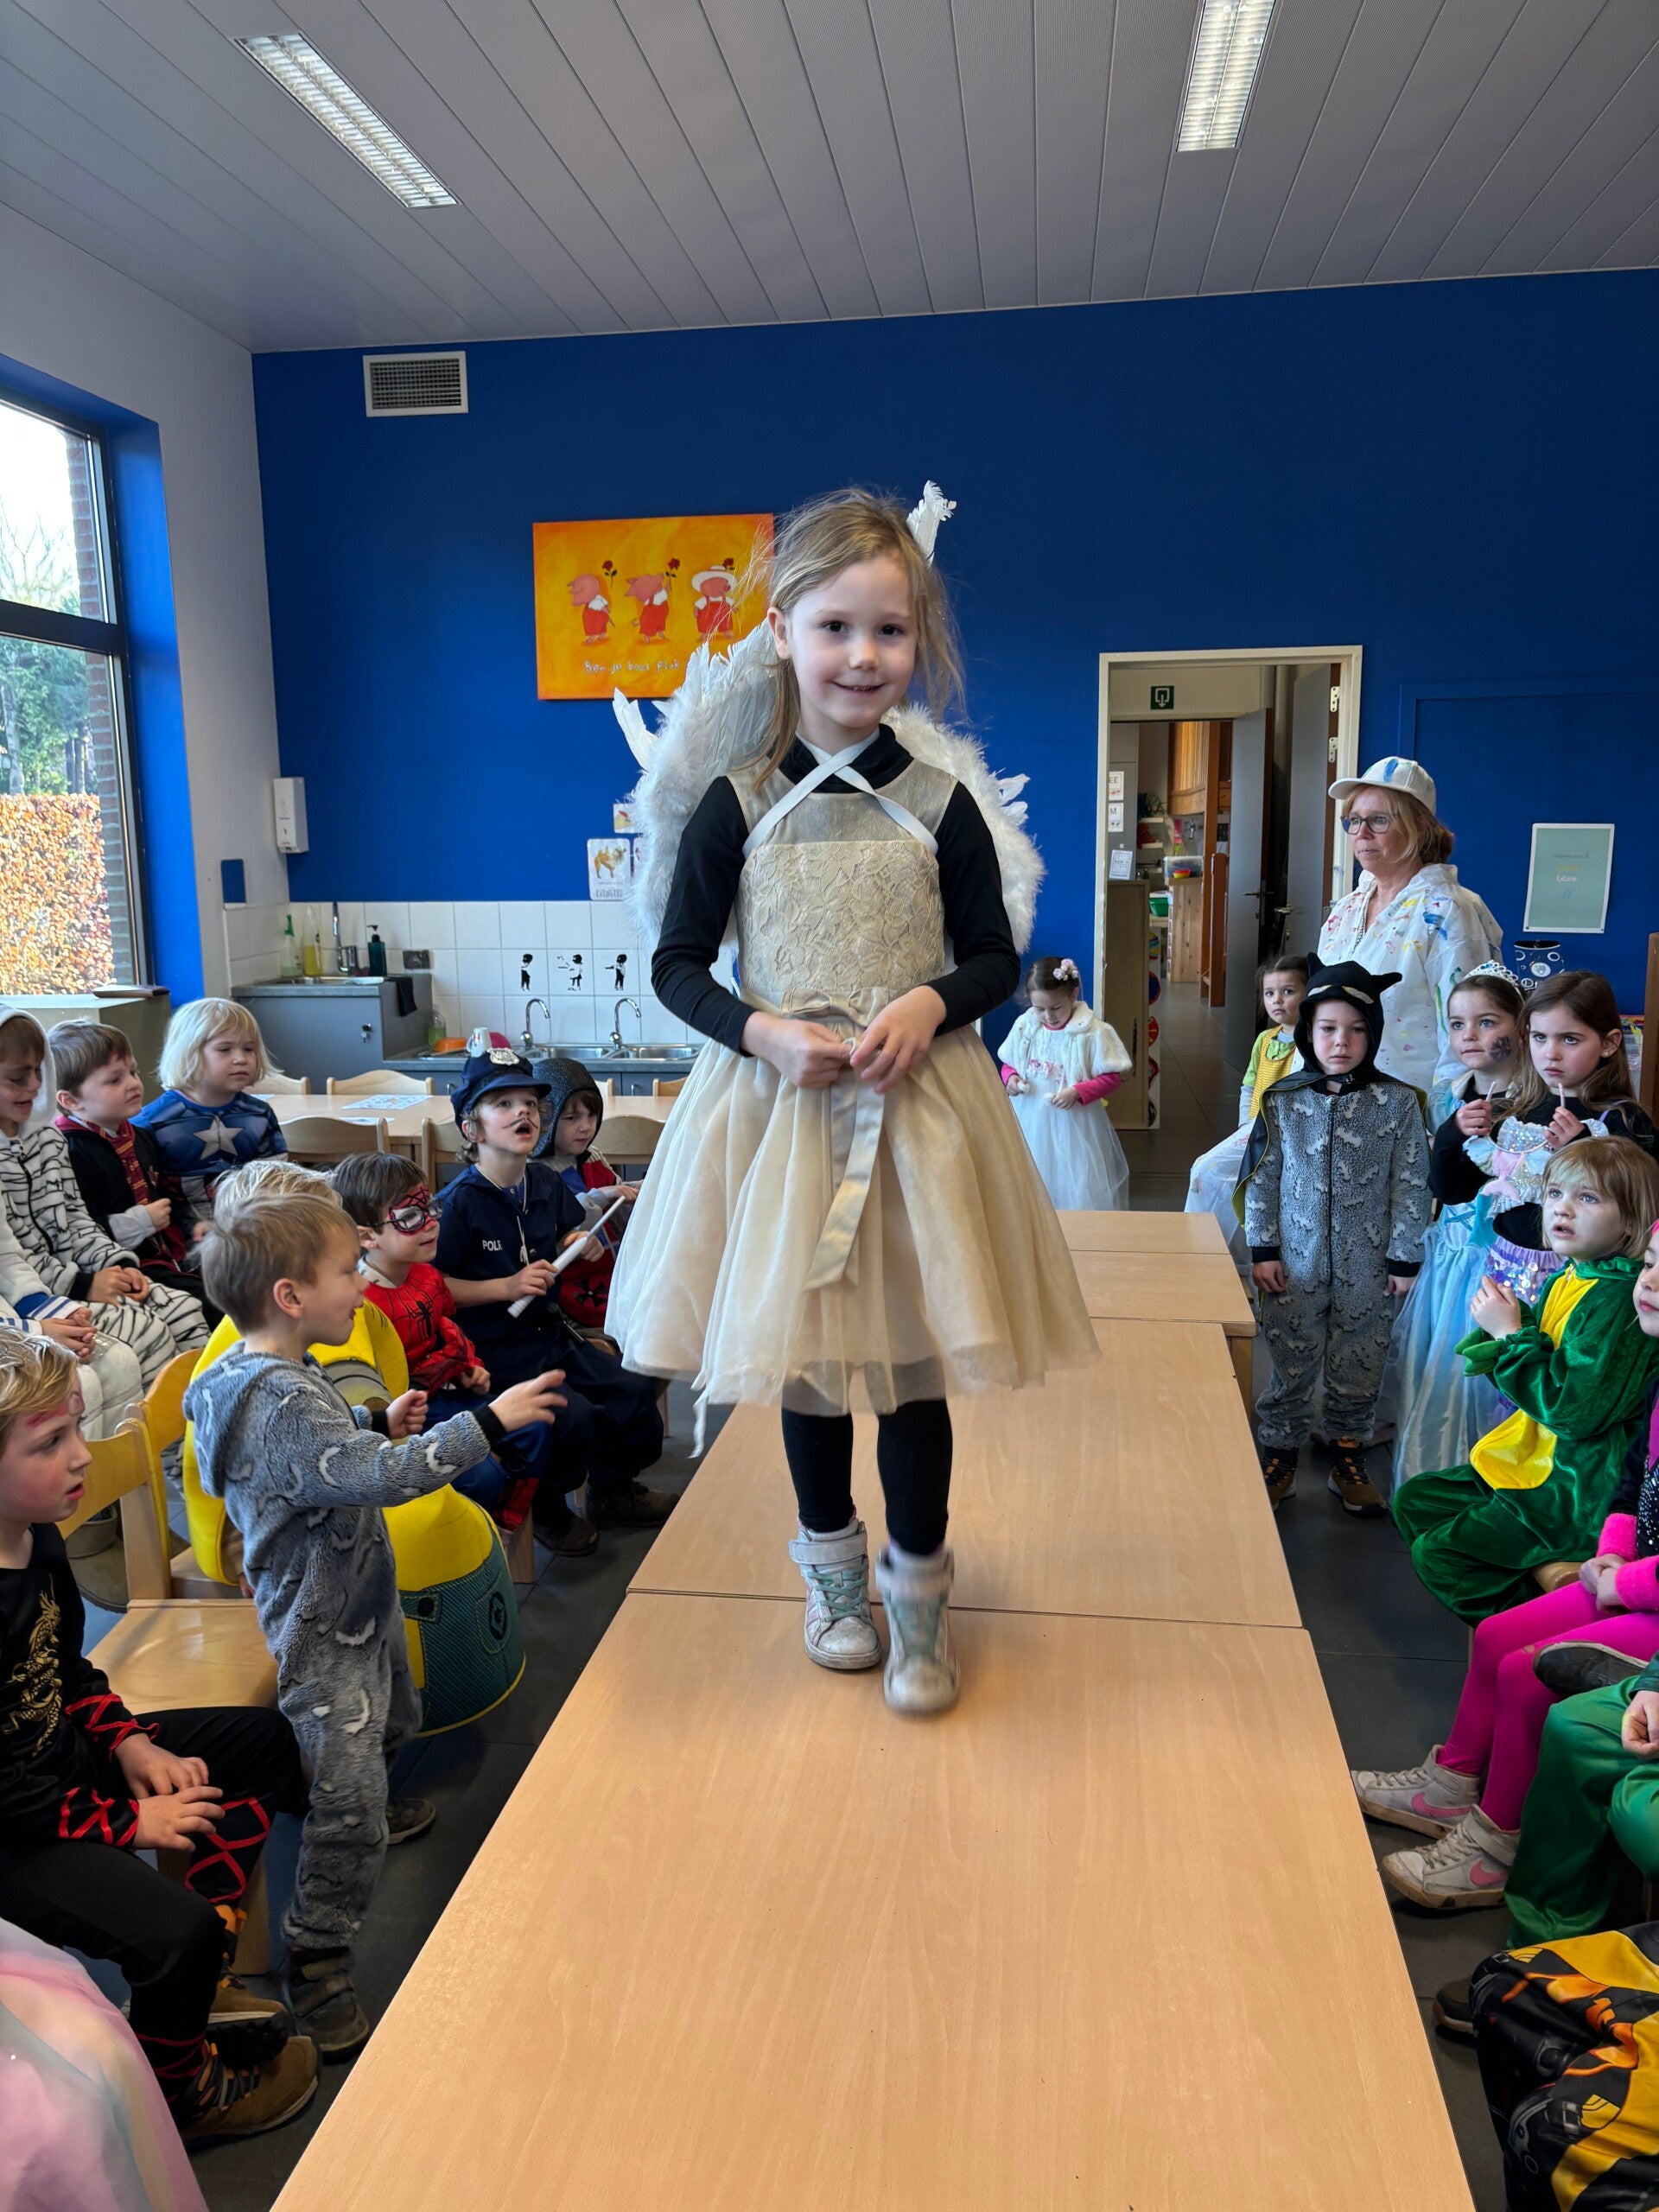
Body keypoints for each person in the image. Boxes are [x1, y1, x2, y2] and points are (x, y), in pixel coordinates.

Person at [608, 484, 1097, 1716]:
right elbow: (678, 966)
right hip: (779, 1116)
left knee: (914, 1366)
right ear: (783, 632)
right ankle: (833, 1580)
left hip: (921, 1114)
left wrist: (933, 1003)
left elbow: (991, 956)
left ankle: (919, 1595)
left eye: (889, 630)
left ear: (917, 640)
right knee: (813, 1369)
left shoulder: (941, 802)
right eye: (835, 628)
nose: (863, 656)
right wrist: (761, 1028)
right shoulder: (733, 802)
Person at [186, 1189, 566, 2056]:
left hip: (359, 1597)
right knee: (351, 1798)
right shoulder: (277, 1396)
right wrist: (489, 1422)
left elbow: (318, 1449)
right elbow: (382, 1478)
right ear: (290, 1295)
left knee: (397, 1715)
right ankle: (317, 1955)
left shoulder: (275, 1371)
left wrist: (367, 1420)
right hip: (321, 1623)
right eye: (344, 1272)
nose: (361, 1285)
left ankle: (346, 1788)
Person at [0, 1333, 319, 2143]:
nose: (81, 1455)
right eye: (51, 1442)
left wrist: (131, 1747)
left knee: (265, 1745)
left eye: (77, 1429)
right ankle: (181, 2097)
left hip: (55, 1771)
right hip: (13, 1831)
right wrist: (128, 1823)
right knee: (174, 1938)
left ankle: (200, 1980)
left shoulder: (34, 1533)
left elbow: (68, 1672)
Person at [1351, 1242, 1659, 1913]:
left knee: (1527, 1670)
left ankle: (1495, 1847)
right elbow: (1635, 1481)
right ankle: (1450, 1785)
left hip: (1648, 1601)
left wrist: (1624, 1583)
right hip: (1635, 1577)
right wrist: (1614, 1550)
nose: (1651, 1282)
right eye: (1651, 1262)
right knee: (1495, 1636)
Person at [1393, 1136, 1659, 1625]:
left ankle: (1545, 1632)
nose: (1562, 1209)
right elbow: (1537, 1379)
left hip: (1574, 1490)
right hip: (1535, 1462)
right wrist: (1510, 1329)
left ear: (1630, 1222)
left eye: (1587, 1198)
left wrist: (1510, 1335)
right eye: (1554, 1193)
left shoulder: (1618, 1300)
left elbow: (1572, 1413)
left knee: (1441, 1556)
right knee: (1416, 1501)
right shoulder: (1574, 1275)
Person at [433, 1050, 672, 1532]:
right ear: (471, 1129)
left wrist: (574, 1241)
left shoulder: (542, 1181)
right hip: (494, 1353)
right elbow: (436, 1290)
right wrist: (505, 1286)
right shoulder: (457, 1206)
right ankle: (547, 1508)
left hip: (552, 1336)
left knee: (633, 1390)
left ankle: (611, 1490)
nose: (523, 1112)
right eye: (503, 1104)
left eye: (529, 1103)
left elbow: (563, 1231)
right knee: (570, 1416)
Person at [1241, 960, 1431, 1516]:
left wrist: (1404, 1257)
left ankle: (1348, 1455)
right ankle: (1280, 1455)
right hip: (1294, 1264)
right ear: (1307, 1031)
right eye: (1327, 1029)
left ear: (1374, 1034)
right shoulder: (1283, 1100)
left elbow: (1412, 1184)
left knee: (1361, 1361)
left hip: (1369, 1266)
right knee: (1289, 1358)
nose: (1341, 1042)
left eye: (1356, 1029)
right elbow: (1262, 1178)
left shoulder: (1399, 1103)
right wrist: (1263, 1250)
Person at [332, 1149, 577, 1547]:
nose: (431, 1223)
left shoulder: (428, 1275)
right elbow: (369, 1389)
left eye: (430, 1208)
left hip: (448, 1396)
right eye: (410, 1217)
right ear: (367, 1236)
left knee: (536, 1424)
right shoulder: (361, 1302)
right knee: (483, 1475)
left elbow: (446, 1327)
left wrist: (468, 1366)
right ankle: (463, 1533)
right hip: (405, 1416)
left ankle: (503, 1523)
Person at [0, 1008, 209, 1386]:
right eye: (18, 1077)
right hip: (44, 1294)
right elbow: (13, 1258)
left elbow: (76, 1219)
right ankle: (152, 1427)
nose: (34, 1085)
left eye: (38, 1072)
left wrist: (118, 1263)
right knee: (147, 1336)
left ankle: (202, 1420)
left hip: (84, 1275)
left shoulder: (47, 1139)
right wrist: (84, 1284)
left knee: (187, 1311)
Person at [1431, 969, 1658, 1312]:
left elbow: (1644, 1209)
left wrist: (1583, 1149)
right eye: (1539, 1037)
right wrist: (1451, 1135)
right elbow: (1452, 1191)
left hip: (1585, 1287)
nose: (1551, 1053)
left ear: (1609, 1043)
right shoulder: (1512, 1112)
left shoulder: (1623, 1120)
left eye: (1570, 1039)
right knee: (1507, 1346)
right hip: (1505, 1277)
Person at [1389, 966, 1529, 1489]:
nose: (1469, 1036)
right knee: (1437, 1363)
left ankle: (1484, 1482)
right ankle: (1431, 1476)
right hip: (1450, 1252)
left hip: (1501, 1261)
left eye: (1487, 1022)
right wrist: (1451, 1133)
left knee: (1482, 1372)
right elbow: (1438, 1182)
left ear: (1520, 1026)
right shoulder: (1449, 1094)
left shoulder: (1532, 1102)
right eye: (1456, 1024)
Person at [1318, 757, 1503, 1123]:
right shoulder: (1347, 908)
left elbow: (1467, 1034)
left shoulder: (1451, 911)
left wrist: (1441, 1126)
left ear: (1419, 827)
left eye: (1379, 820)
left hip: (1403, 1114)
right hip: (1327, 1101)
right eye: (1353, 820)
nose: (1361, 833)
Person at [48, 1020, 215, 1325]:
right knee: (215, 1304)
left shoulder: (140, 1136)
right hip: (127, 1267)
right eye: (115, 1080)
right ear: (70, 1100)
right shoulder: (69, 1151)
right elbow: (78, 1230)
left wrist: (192, 1225)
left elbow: (163, 1194)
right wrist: (140, 1222)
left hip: (171, 1251)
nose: (133, 1084)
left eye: (133, 1072)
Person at [1184, 955, 1308, 1262]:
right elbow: (1249, 1086)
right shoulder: (1264, 1040)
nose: (1277, 1000)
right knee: (1211, 1171)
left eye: (1288, 991)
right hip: (1256, 1128)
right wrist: (1245, 1125)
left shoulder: (1311, 1043)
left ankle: (1228, 1254)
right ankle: (1202, 1248)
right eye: (1269, 993)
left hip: (1290, 1133)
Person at [997, 955, 1132, 1211]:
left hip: (1074, 1126)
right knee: (1030, 1176)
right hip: (1029, 1118)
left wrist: (1078, 1092)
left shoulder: (1093, 1032)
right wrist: (1011, 1078)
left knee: (1074, 1180)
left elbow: (1112, 1078)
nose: (1048, 1016)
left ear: (1073, 994)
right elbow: (1009, 1063)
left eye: (1056, 1008)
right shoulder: (1026, 1027)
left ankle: (1074, 1228)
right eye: (1040, 1009)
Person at [134, 1000, 286, 1223]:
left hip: (250, 1228)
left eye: (249, 1049)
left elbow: (276, 1182)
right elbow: (143, 1194)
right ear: (188, 1054)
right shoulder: (151, 1123)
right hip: (180, 1235)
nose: (241, 1059)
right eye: (225, 1049)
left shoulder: (260, 1115)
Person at [537, 1057, 638, 1334]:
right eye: (572, 1118)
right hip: (569, 1286)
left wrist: (636, 1192)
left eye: (592, 1116)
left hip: (612, 1270)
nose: (586, 1126)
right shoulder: (536, 1172)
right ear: (544, 1120)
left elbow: (618, 1210)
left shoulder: (593, 1157)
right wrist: (601, 1196)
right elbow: (560, 1228)